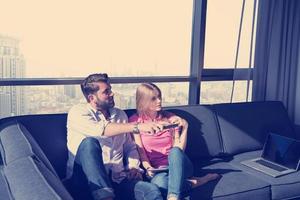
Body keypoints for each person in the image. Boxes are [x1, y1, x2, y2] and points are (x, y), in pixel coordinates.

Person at [66, 73, 164, 200]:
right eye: (106, 92)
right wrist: (137, 126)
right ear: (92, 98)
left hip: (118, 179)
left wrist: (133, 166)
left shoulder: (120, 115)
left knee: (150, 190)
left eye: (110, 89)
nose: (112, 93)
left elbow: (130, 147)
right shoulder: (78, 112)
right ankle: (105, 196)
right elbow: (102, 130)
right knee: (89, 143)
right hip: (85, 182)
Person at [129, 83, 219, 200]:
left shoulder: (171, 118)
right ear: (143, 101)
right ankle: (201, 180)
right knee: (160, 185)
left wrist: (185, 128)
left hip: (180, 165)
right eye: (154, 99)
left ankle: (173, 197)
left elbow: (179, 150)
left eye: (159, 97)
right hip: (158, 170)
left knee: (175, 151)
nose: (159, 101)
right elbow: (140, 151)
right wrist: (148, 167)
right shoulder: (135, 122)